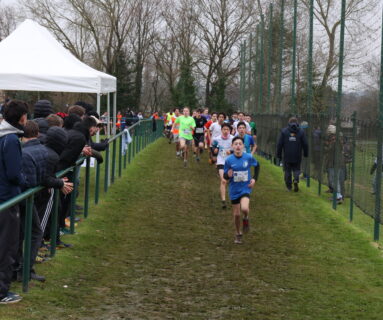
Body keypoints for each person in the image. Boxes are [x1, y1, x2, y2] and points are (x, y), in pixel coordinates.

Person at [0, 100, 28, 304]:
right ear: (21, 117)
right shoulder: (10, 139)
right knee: (7, 246)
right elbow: (13, 173)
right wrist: (25, 180)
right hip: (7, 199)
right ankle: (1, 292)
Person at [224, 136, 260, 244]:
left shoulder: (248, 157)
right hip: (234, 189)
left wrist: (254, 179)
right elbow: (225, 176)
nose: (238, 146)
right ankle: (238, 233)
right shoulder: (229, 160)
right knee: (236, 214)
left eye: (240, 144)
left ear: (243, 146)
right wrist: (227, 174)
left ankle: (246, 218)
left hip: (245, 187)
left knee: (244, 208)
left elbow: (257, 166)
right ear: (232, 146)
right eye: (236, 144)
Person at [276, 117, 309, 192]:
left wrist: (279, 155)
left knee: (287, 170)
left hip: (287, 155)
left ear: (289, 122)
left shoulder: (284, 131)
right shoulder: (301, 131)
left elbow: (279, 144)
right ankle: (296, 179)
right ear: (297, 123)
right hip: (297, 154)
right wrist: (306, 153)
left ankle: (289, 187)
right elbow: (305, 144)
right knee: (296, 169)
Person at [212, 123, 234, 209]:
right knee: (223, 181)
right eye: (224, 129)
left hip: (231, 162)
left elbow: (238, 149)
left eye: (227, 130)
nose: (225, 131)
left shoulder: (233, 139)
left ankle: (234, 197)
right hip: (221, 161)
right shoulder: (217, 139)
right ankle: (223, 201)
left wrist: (231, 152)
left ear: (230, 131)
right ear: (221, 130)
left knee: (230, 181)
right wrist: (215, 150)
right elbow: (213, 148)